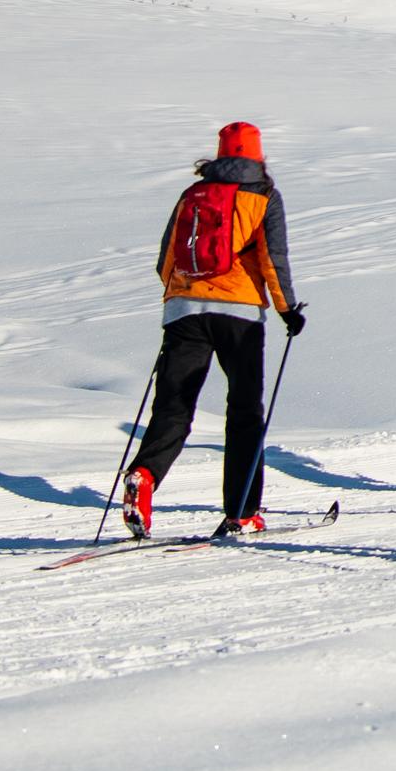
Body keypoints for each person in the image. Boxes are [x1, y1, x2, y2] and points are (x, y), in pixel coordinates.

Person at [127, 119, 303, 540]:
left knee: (173, 406)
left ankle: (145, 475)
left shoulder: (194, 194)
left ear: (220, 154)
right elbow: (272, 259)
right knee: (243, 412)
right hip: (239, 315)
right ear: (257, 155)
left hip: (184, 311)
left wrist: (181, 298)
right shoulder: (263, 196)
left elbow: (165, 259)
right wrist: (288, 310)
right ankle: (242, 513)